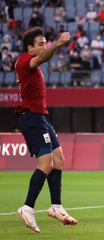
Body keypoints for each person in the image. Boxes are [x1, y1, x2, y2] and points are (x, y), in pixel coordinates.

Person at [15, 27, 77, 233]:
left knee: (58, 159)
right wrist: (58, 43)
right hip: (32, 118)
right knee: (46, 162)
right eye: (40, 44)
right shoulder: (26, 60)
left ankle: (56, 207)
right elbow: (41, 59)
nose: (43, 47)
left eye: (45, 43)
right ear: (29, 48)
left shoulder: (28, 63)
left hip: (41, 117)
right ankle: (27, 207)